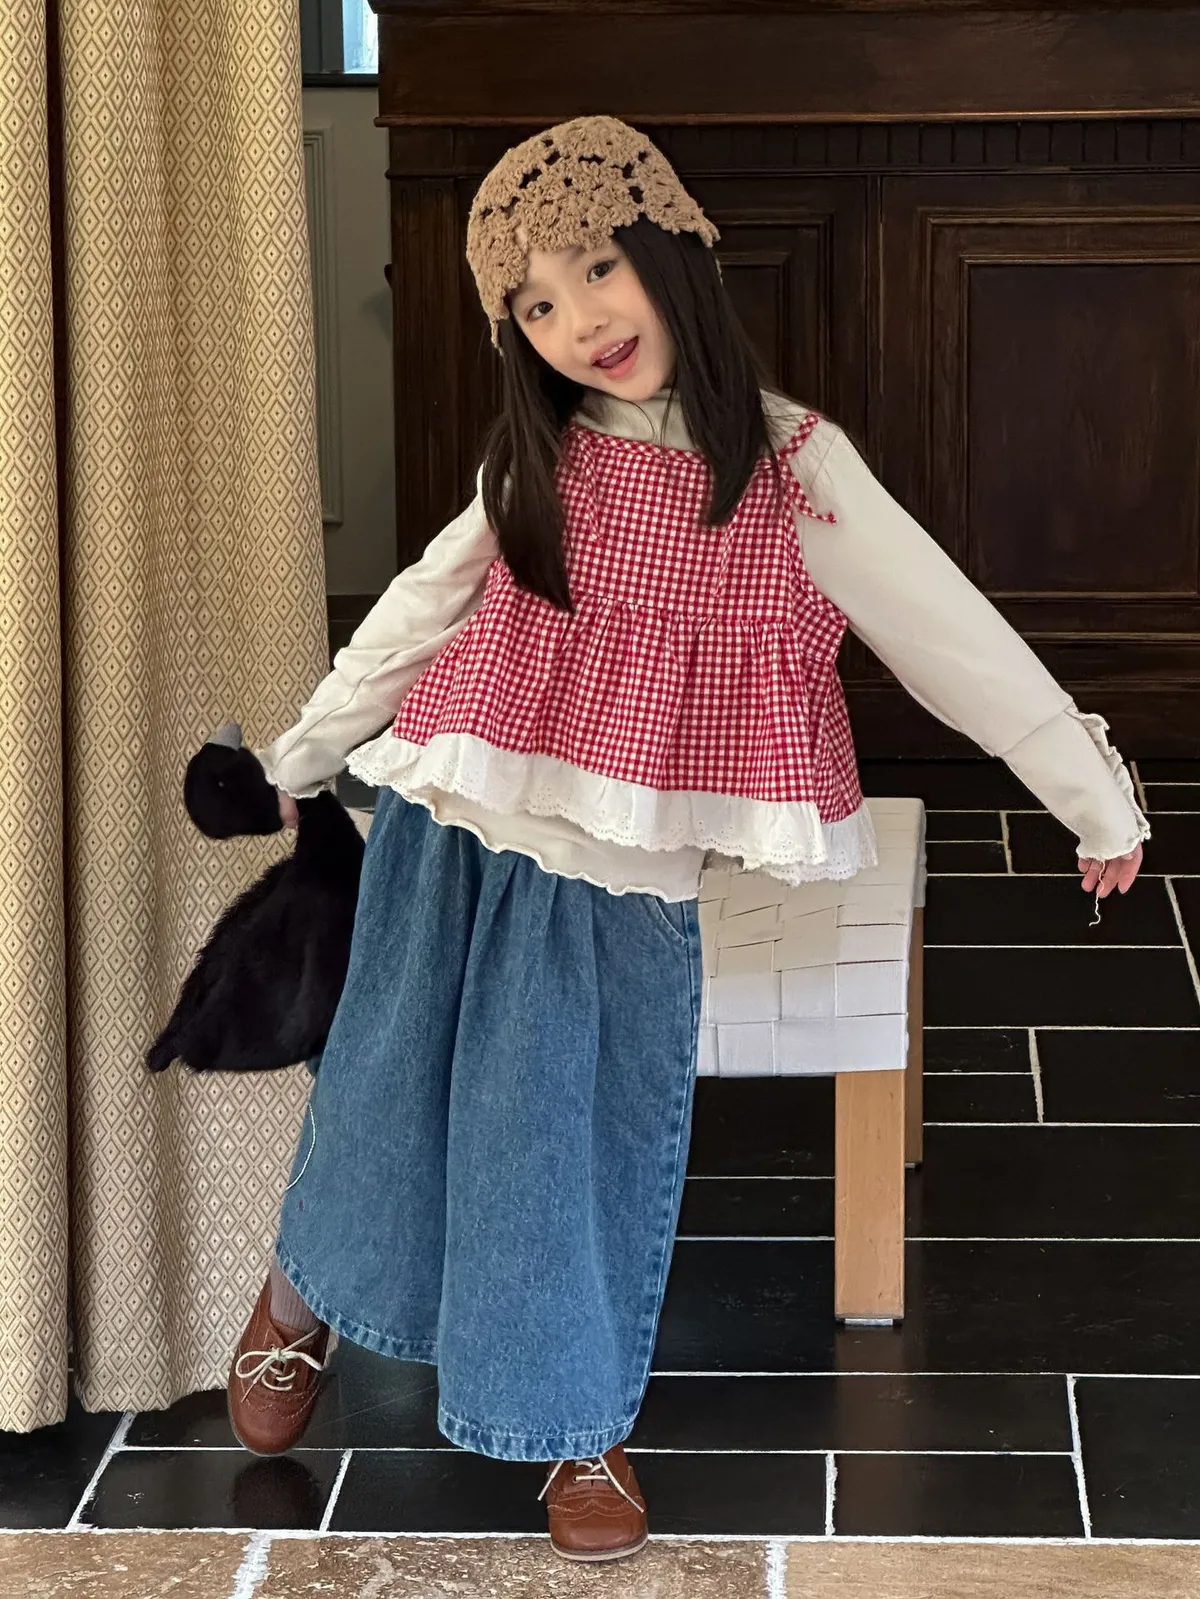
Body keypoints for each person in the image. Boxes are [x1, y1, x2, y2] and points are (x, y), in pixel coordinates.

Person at [224, 115, 1149, 1562]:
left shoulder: (796, 467)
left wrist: (1090, 791)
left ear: (675, 250)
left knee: (560, 1135)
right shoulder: (542, 456)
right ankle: (302, 1299)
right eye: (536, 303)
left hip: (614, 867)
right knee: (385, 1081)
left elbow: (948, 636)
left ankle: (573, 1419)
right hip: (446, 819)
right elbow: (420, 607)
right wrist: (299, 755)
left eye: (598, 267)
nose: (580, 320)